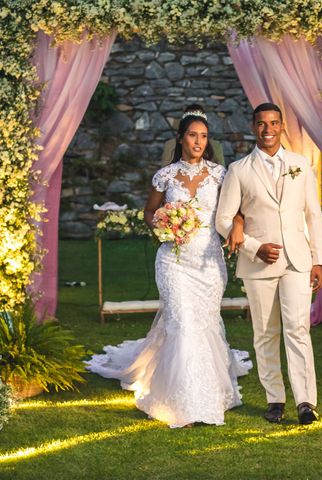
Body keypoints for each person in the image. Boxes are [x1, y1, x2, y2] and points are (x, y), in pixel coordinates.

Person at [86, 109, 252, 428]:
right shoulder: (166, 175)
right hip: (172, 261)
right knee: (183, 324)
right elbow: (150, 212)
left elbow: (239, 211)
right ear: (181, 139)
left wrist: (238, 225)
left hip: (207, 261)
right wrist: (163, 229)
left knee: (204, 322)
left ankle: (209, 391)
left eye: (204, 136)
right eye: (193, 135)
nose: (198, 141)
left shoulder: (221, 175)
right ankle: (183, 404)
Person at [215, 103, 322, 425]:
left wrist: (318, 260)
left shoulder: (300, 165)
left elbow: (312, 215)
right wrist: (253, 247)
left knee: (298, 330)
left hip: (298, 260)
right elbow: (224, 219)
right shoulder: (239, 170)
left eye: (274, 123)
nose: (268, 129)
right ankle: (275, 399)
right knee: (265, 332)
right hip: (259, 264)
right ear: (254, 127)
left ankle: (306, 401)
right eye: (262, 124)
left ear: (281, 127)